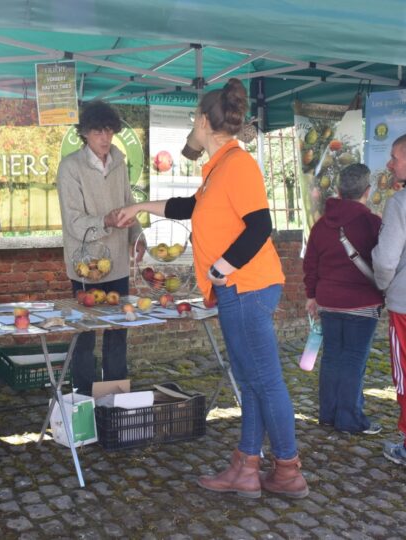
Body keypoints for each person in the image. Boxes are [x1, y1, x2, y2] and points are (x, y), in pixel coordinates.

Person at [116, 78, 308, 499]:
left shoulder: (237, 164)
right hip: (238, 288)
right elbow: (191, 207)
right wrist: (139, 207)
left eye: (193, 122)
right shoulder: (219, 167)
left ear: (203, 122)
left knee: (266, 380)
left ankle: (289, 470)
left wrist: (222, 267)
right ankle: (246, 466)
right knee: (250, 379)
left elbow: (261, 225)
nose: (191, 130)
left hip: (247, 287)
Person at [56, 101, 143, 396]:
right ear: (84, 134)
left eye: (109, 131)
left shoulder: (119, 160)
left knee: (118, 332)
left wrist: (137, 236)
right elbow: (73, 222)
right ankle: (82, 397)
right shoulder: (70, 167)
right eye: (97, 132)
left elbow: (128, 200)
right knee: (85, 335)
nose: (105, 138)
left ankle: (116, 397)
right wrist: (105, 221)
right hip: (86, 266)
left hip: (117, 262)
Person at [303, 163, 383, 435]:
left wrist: (311, 296)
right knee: (352, 360)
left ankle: (328, 414)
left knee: (332, 357)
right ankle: (349, 419)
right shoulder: (372, 223)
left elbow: (310, 264)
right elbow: (382, 262)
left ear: (337, 190)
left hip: (327, 301)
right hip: (362, 303)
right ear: (368, 191)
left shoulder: (321, 225)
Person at [372, 134, 406, 465]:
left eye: (395, 157)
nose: (390, 164)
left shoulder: (400, 203)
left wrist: (383, 286)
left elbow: (384, 261)